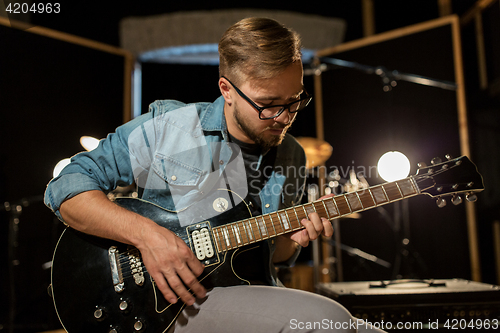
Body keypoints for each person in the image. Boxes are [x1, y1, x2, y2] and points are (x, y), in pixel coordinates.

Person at [45, 17, 385, 332]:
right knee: (330, 320)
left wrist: (291, 238)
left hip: (250, 297)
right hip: (171, 303)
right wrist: (148, 237)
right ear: (226, 89)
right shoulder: (169, 127)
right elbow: (65, 189)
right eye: (269, 104)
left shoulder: (292, 153)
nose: (285, 117)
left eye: (295, 100)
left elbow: (266, 258)